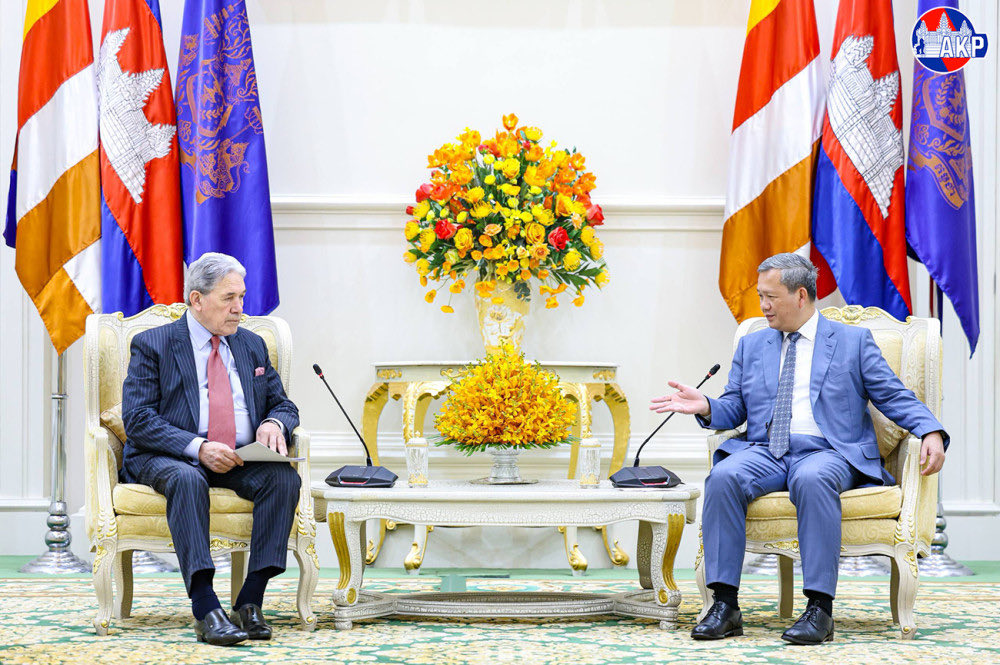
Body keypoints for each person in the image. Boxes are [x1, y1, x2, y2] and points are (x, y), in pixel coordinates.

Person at [650, 252, 947, 645]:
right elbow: (735, 406)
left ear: (801, 295)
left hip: (829, 452)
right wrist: (706, 406)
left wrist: (930, 430)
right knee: (723, 476)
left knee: (811, 477)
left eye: (771, 296)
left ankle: (819, 610)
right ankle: (725, 606)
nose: (763, 305)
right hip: (766, 450)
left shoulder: (853, 342)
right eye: (761, 296)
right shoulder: (753, 345)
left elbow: (893, 396)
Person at [122, 252, 301, 646]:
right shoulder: (154, 344)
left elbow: (284, 405)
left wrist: (274, 423)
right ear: (197, 299)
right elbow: (138, 419)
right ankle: (206, 607)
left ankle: (250, 601)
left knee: (283, 479)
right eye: (228, 298)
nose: (239, 308)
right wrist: (199, 447)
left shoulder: (251, 345)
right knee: (187, 479)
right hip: (170, 456)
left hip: (238, 456)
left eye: (242, 297)